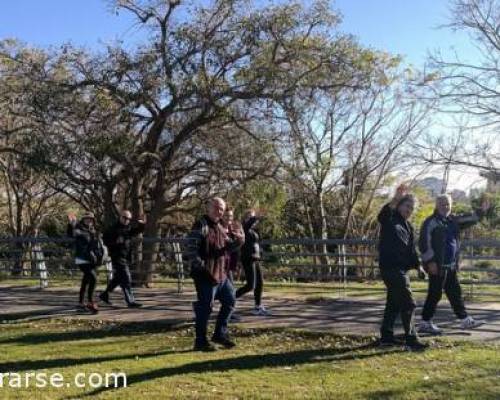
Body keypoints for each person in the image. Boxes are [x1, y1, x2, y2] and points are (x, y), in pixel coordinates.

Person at [418, 194, 490, 334]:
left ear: (451, 205)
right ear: (436, 205)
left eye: (447, 204)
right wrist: (430, 262)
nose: (445, 206)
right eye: (442, 204)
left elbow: (471, 218)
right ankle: (425, 323)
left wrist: (482, 211)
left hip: (450, 266)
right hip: (437, 266)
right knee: (435, 294)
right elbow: (423, 243)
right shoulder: (430, 222)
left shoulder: (453, 220)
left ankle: (464, 320)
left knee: (455, 293)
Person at [187, 197, 244, 351]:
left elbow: (228, 248)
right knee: (205, 308)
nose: (219, 211)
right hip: (206, 276)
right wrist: (202, 267)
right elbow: (190, 248)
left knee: (230, 300)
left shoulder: (219, 227)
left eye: (221, 209)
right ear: (208, 208)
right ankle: (200, 341)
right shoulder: (201, 225)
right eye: (216, 207)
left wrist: (239, 241)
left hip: (221, 275)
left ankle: (220, 334)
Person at [377, 184, 427, 351]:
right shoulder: (390, 218)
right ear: (399, 205)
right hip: (390, 268)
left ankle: (386, 337)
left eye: (412, 208)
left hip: (401, 269)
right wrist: (396, 198)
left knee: (394, 304)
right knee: (408, 303)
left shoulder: (408, 227)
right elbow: (382, 215)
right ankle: (411, 339)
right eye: (407, 206)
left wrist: (419, 267)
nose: (409, 210)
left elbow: (412, 250)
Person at [99, 210, 145, 308]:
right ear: (120, 217)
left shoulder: (127, 228)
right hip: (117, 256)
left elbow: (136, 231)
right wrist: (115, 242)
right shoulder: (113, 228)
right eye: (125, 218)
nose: (126, 220)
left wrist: (141, 224)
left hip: (125, 256)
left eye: (129, 219)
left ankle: (105, 294)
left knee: (118, 278)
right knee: (126, 278)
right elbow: (105, 240)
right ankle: (130, 301)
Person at [67, 212, 104, 314]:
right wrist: (71, 224)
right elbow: (72, 234)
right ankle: (90, 302)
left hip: (92, 259)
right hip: (82, 259)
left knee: (86, 280)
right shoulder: (78, 228)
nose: (89, 220)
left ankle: (80, 303)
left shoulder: (93, 230)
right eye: (86, 219)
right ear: (83, 220)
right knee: (93, 278)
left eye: (90, 219)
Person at [235, 210, 269, 316]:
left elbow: (254, 243)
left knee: (260, 283)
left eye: (253, 217)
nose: (252, 219)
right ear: (246, 218)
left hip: (255, 258)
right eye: (250, 217)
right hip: (248, 259)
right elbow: (248, 225)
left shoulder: (253, 231)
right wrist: (255, 217)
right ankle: (229, 298)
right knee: (250, 285)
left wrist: (260, 252)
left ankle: (257, 306)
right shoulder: (244, 228)